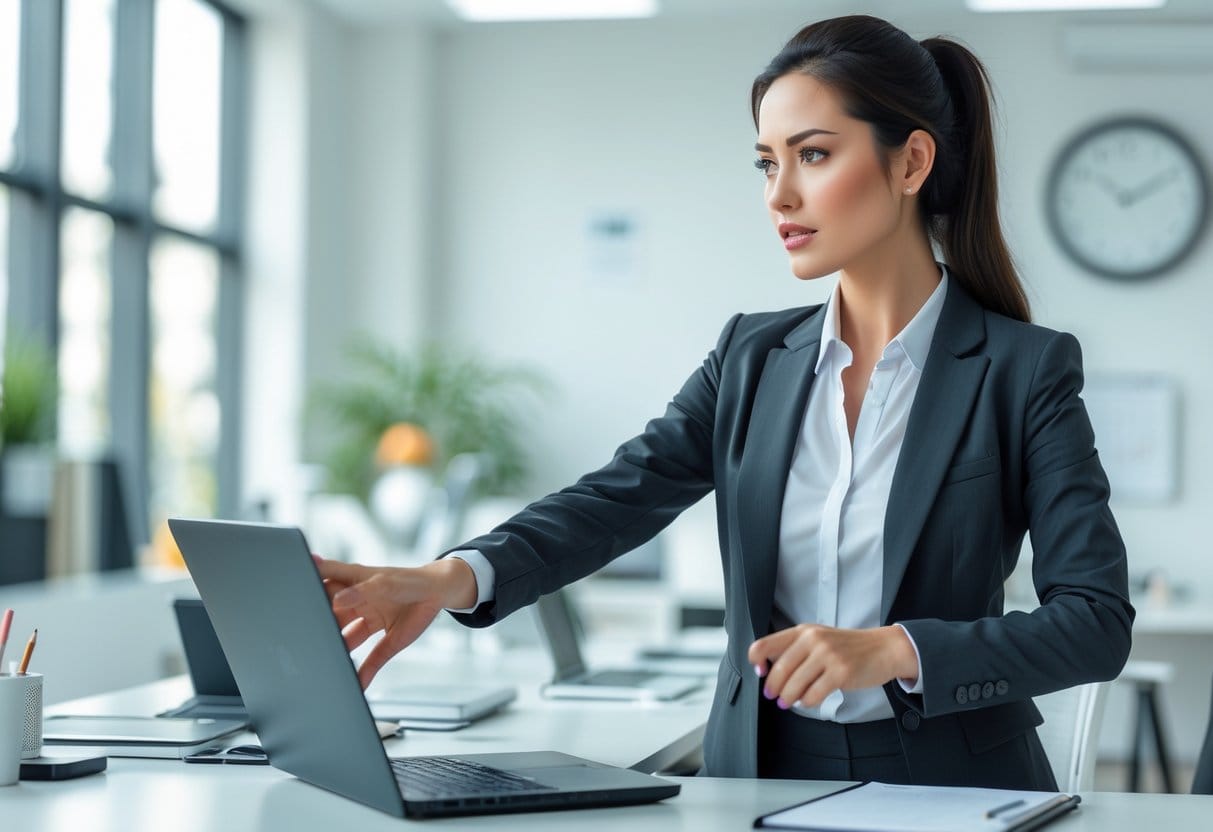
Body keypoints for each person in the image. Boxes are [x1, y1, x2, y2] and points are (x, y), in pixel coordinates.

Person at [317, 14, 1133, 789]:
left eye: (811, 155)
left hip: (952, 783)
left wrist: (896, 650)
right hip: (761, 769)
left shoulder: (1022, 370)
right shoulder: (751, 357)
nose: (779, 196)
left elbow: (1093, 621)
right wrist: (444, 578)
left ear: (911, 163)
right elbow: (613, 500)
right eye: (766, 163)